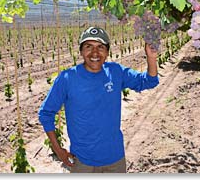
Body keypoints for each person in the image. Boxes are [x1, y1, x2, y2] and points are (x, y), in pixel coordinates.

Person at [38, 26, 159, 173]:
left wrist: (151, 58)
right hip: (82, 162)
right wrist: (58, 150)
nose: (95, 52)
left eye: (100, 47)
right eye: (89, 46)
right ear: (81, 51)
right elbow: (46, 113)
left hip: (115, 160)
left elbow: (149, 81)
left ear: (107, 52)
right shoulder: (67, 78)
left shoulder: (115, 72)